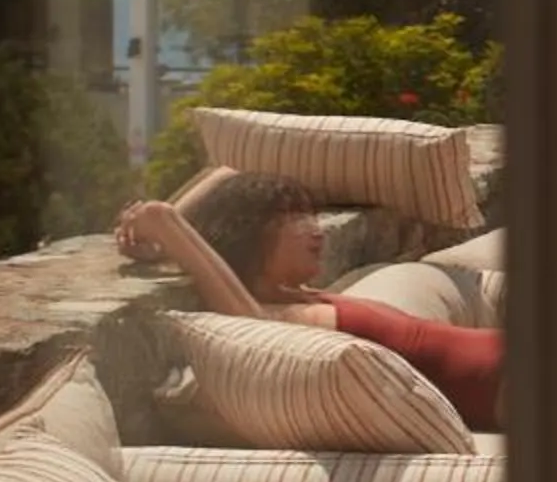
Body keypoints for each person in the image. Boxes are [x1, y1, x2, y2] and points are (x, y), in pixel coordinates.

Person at [116, 167, 503, 432]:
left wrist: (164, 232)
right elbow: (252, 327)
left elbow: (226, 173)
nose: (315, 231)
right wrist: (164, 223)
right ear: (251, 232)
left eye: (311, 216)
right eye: (293, 219)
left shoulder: (297, 296)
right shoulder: (271, 314)